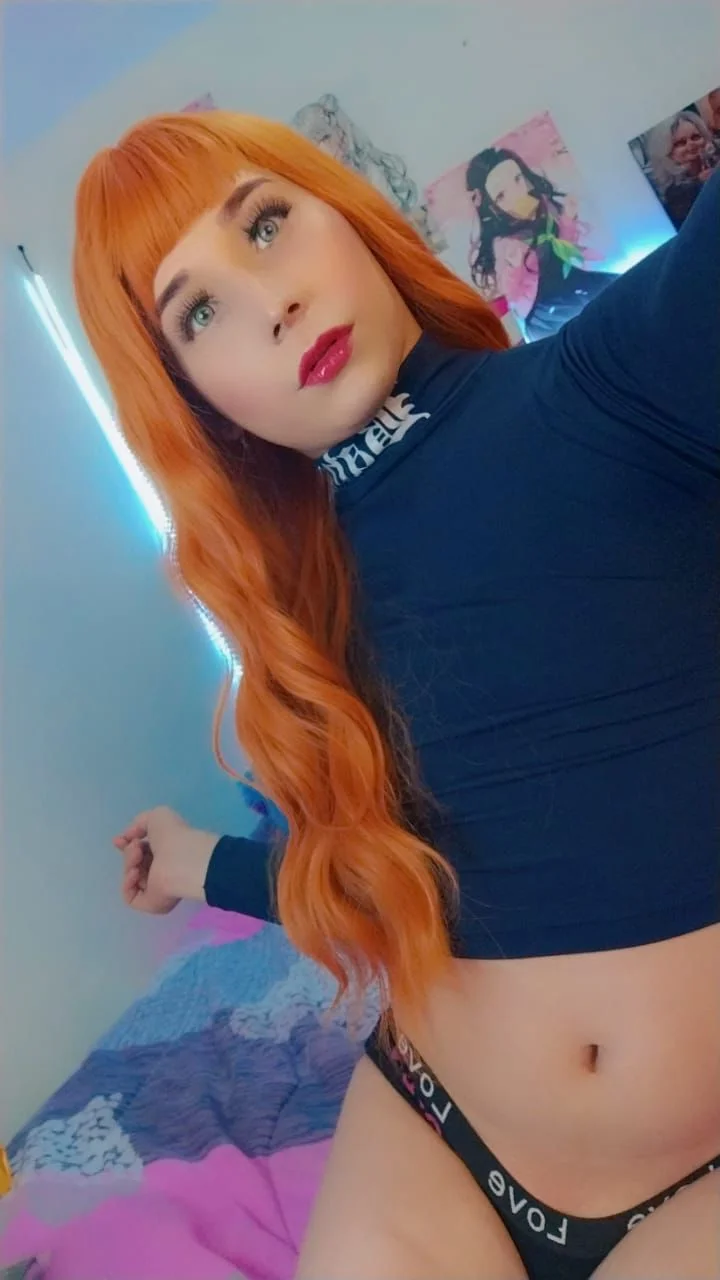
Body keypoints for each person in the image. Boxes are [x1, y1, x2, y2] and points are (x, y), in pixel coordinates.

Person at [73, 111, 720, 1280]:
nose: (270, 302)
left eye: (266, 223)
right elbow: (380, 880)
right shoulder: (299, 628)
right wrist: (194, 861)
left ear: (350, 215)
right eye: (199, 312)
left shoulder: (612, 383)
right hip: (437, 1132)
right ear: (199, 401)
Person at [464, 146, 617, 341]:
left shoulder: (544, 207)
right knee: (586, 326)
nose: (517, 193)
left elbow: (562, 248)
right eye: (501, 195)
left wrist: (568, 219)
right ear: (493, 207)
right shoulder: (504, 244)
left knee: (619, 286)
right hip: (542, 306)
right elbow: (512, 294)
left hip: (568, 281)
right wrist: (516, 267)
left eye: (518, 179)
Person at [645, 108, 720, 229]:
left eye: (695, 137)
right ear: (667, 152)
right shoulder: (673, 194)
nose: (691, 144)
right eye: (680, 143)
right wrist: (702, 184)